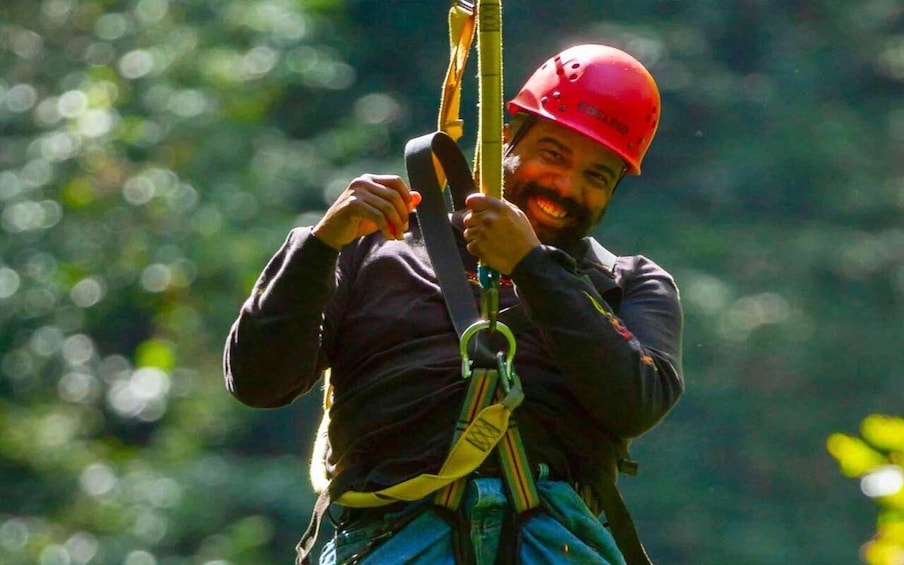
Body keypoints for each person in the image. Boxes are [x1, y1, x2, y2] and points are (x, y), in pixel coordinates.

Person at [224, 44, 684, 565]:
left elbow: (636, 402)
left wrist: (532, 267)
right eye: (553, 154)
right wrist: (318, 247)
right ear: (508, 136)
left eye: (596, 177)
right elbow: (258, 382)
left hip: (554, 542)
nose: (566, 186)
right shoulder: (377, 247)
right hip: (389, 539)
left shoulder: (629, 284)